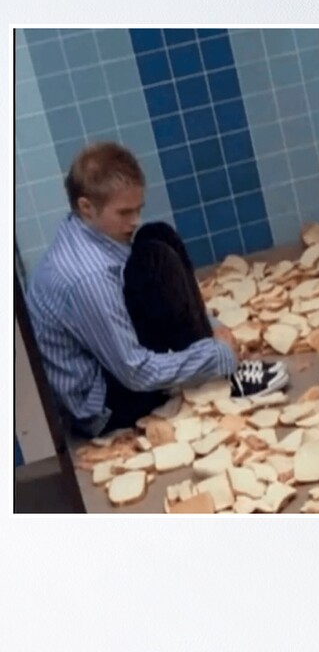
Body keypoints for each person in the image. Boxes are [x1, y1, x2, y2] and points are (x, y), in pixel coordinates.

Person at [25, 142, 288, 439]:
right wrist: (216, 355)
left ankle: (210, 355)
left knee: (156, 237)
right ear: (86, 206)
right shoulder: (89, 277)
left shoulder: (85, 229)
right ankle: (223, 374)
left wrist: (210, 327)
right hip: (103, 407)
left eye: (138, 209)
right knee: (155, 261)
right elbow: (135, 372)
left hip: (105, 363)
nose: (134, 220)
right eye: (124, 212)